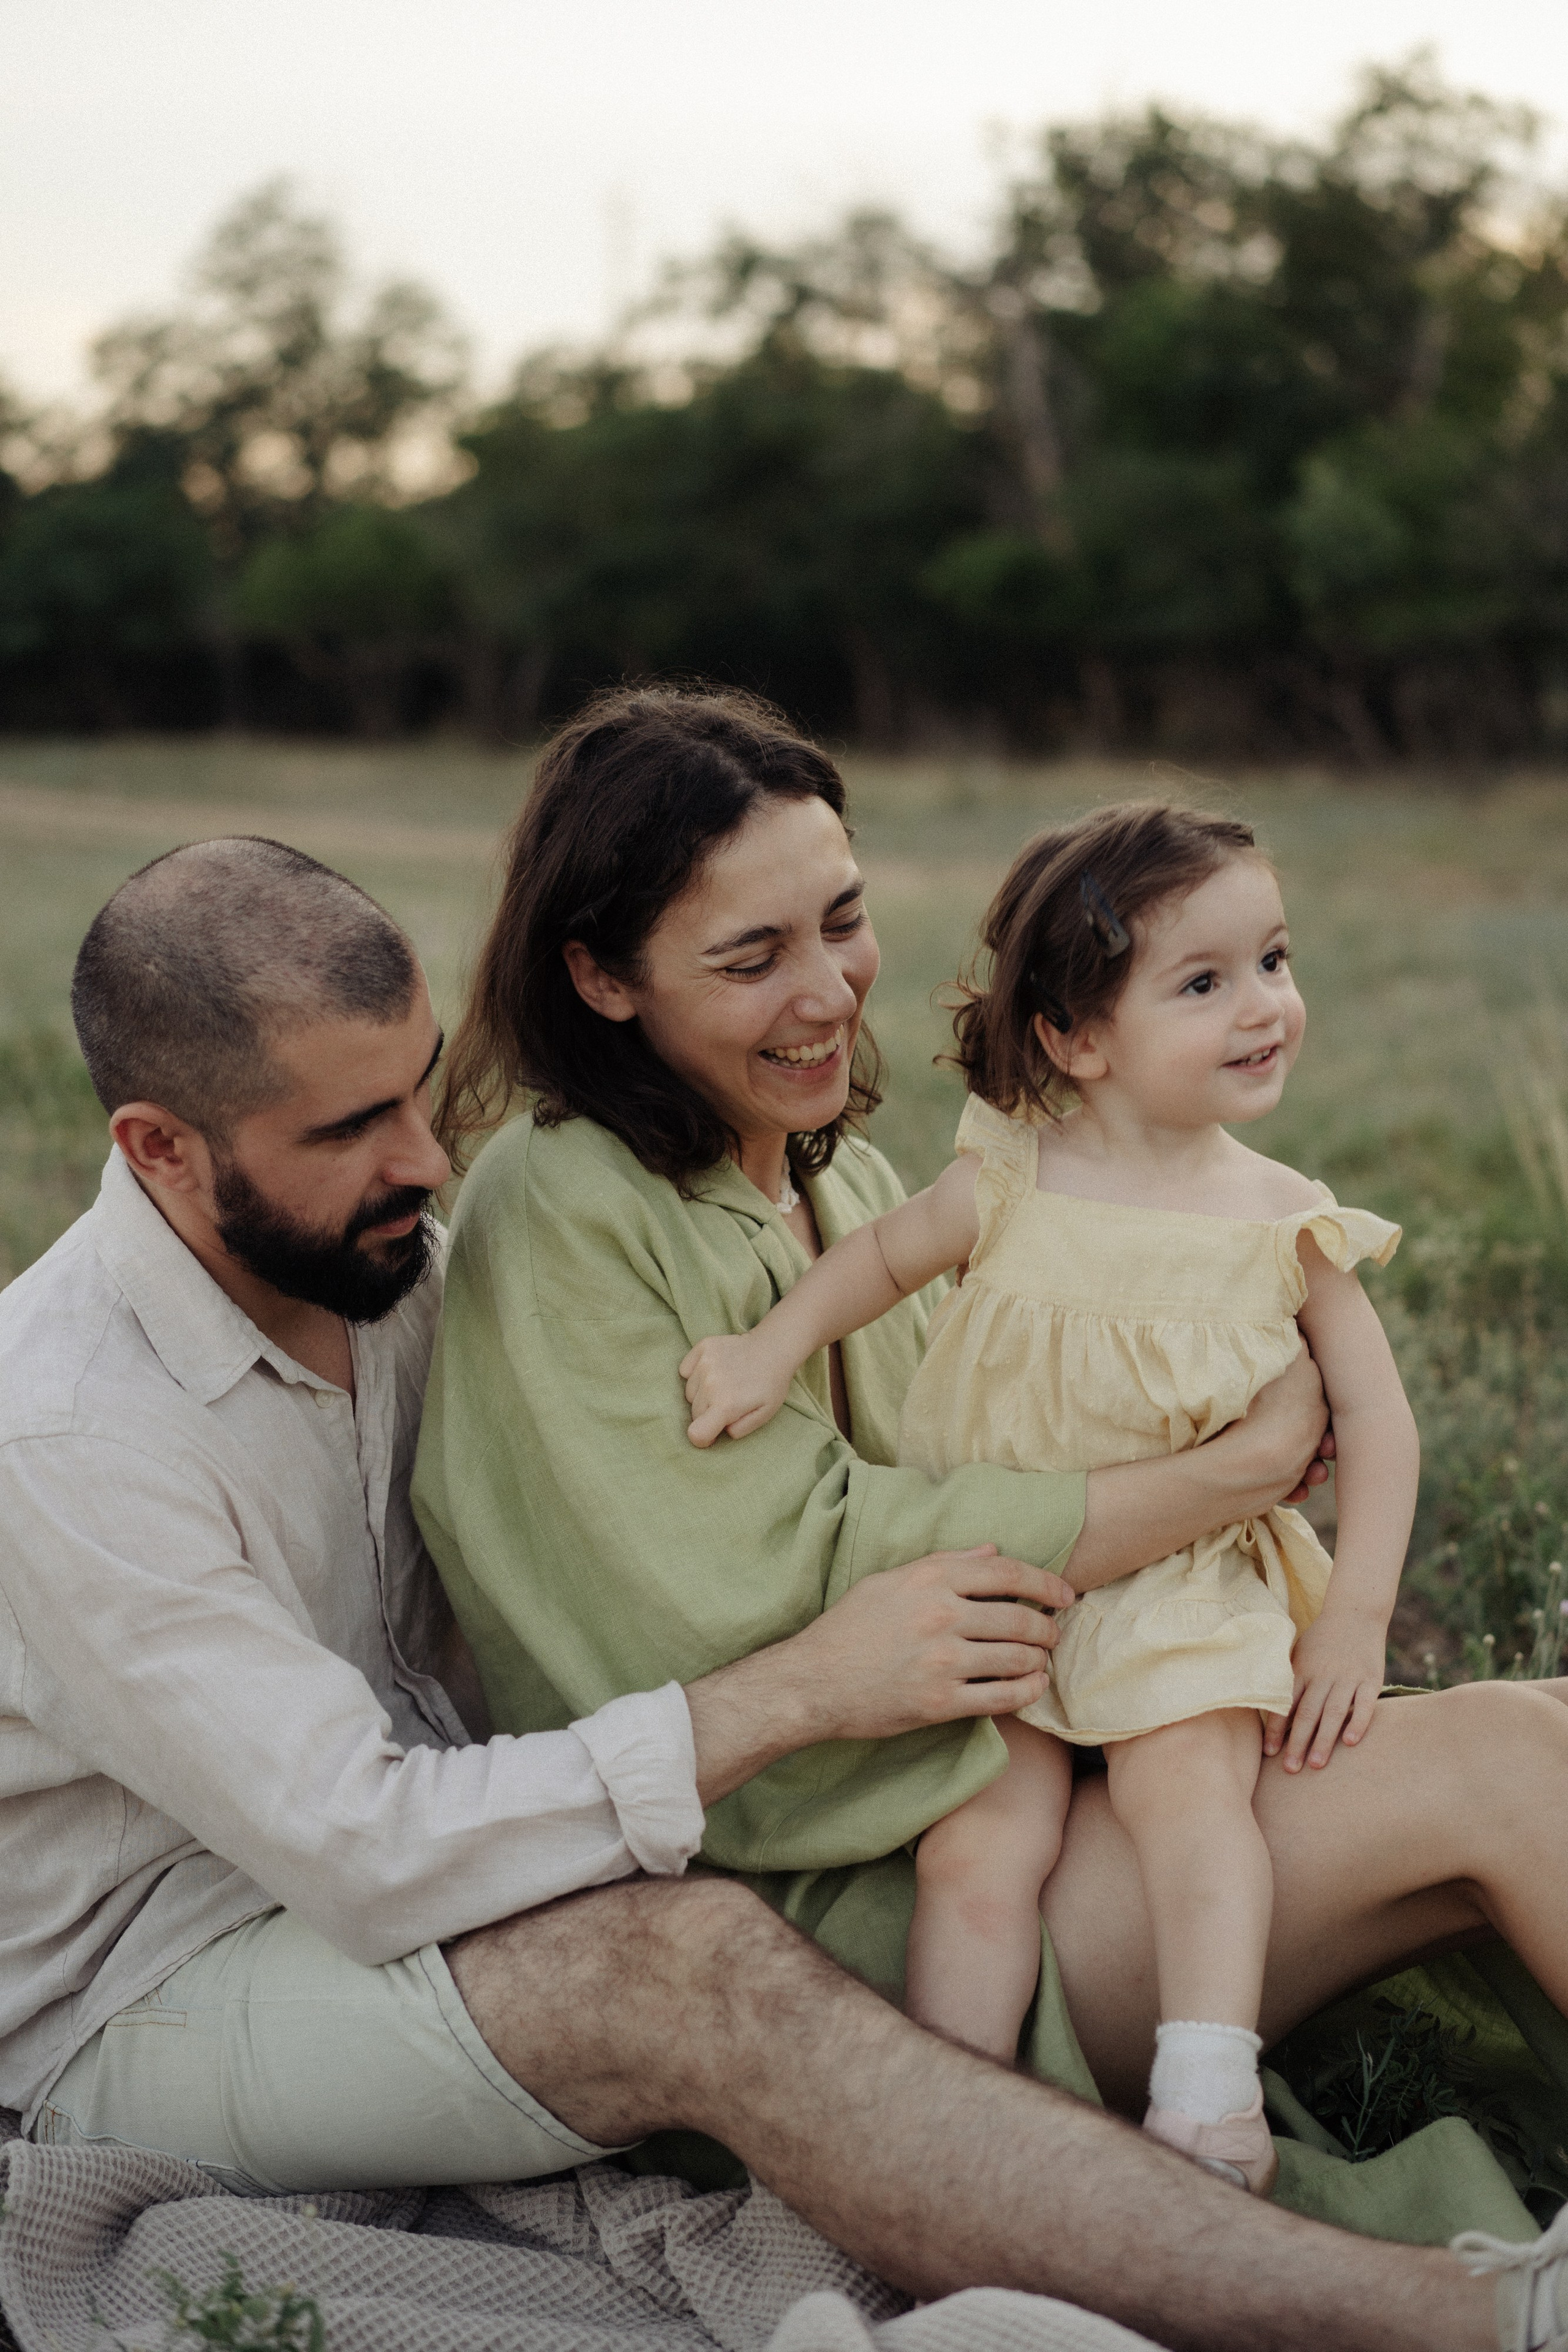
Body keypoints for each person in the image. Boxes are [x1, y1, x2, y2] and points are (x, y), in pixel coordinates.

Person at [1, 826, 1566, 2352]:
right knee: (694, 1962)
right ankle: (1472, 2318)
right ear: (158, 1149)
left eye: (420, 1090)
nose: (424, 1157)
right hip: (169, 1980)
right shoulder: (71, 1435)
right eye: (348, 1128)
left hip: (552, 1847)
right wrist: (805, 1688)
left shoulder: (392, 1261)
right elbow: (363, 1849)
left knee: (1525, 1735)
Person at [414, 684, 1568, 2247]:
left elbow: (1010, 1454)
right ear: (600, 977)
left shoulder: (863, 1184)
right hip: (830, 1925)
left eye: (842, 920)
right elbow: (761, 1589)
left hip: (1032, 1766)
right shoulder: (558, 1201)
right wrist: (1220, 1481)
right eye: (750, 959)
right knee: (1506, 1759)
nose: (826, 991)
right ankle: (965, 2175)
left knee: (1542, 1731)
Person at [679, 800, 1425, 2195]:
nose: (1263, 1005)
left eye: (1270, 959)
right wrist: (771, 1347)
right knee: (979, 1846)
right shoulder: (1008, 1178)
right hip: (1001, 1580)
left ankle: (1205, 2100)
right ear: (1074, 1040)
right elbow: (880, 1263)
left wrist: (1355, 1617)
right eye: (1202, 984)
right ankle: (947, 2123)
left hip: (1181, 1584)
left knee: (1189, 1806)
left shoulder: (1280, 1219)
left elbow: (1378, 1426)